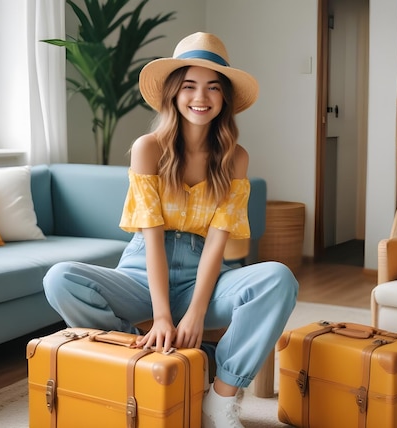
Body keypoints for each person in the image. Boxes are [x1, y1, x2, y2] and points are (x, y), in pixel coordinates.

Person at [43, 32, 299, 428]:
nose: (202, 97)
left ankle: (221, 397)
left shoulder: (236, 159)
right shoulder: (148, 148)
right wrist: (162, 316)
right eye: (190, 86)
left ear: (225, 99)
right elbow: (153, 241)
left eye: (213, 87)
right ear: (174, 94)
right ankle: (142, 357)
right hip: (142, 275)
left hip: (204, 279)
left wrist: (196, 312)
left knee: (278, 278)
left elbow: (217, 243)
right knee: (60, 278)